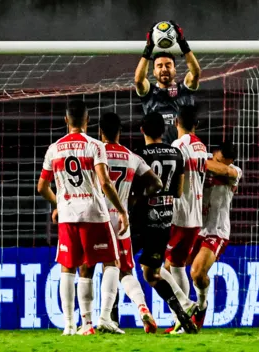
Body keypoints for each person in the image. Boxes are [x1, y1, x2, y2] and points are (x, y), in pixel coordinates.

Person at [36, 100, 129, 336]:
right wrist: (121, 210)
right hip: (94, 213)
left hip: (68, 215)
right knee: (112, 262)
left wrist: (60, 202)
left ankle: (70, 325)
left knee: (68, 267)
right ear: (87, 121)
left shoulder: (54, 148)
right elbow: (106, 183)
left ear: (66, 120)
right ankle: (102, 318)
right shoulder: (95, 146)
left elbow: (42, 187)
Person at [94, 112, 162, 334]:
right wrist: (135, 198)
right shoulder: (131, 156)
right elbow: (157, 183)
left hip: (98, 217)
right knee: (125, 271)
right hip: (122, 220)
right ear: (119, 132)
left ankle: (98, 318)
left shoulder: (95, 152)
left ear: (100, 132)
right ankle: (142, 308)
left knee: (90, 268)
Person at [131, 111, 198, 334]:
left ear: (142, 130)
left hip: (141, 221)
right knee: (152, 273)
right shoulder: (176, 153)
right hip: (163, 222)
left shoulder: (138, 155)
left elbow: (135, 190)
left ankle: (108, 317)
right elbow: (178, 192)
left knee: (118, 266)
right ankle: (182, 311)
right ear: (164, 130)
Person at [163, 105, 209, 333]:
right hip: (196, 217)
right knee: (177, 264)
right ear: (196, 125)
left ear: (175, 123)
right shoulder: (202, 146)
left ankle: (184, 305)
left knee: (156, 265)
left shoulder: (177, 146)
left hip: (178, 215)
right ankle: (181, 323)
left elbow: (173, 181)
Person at [188, 141, 242, 329]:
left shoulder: (234, 171)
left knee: (197, 272)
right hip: (194, 227)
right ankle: (180, 315)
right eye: (219, 160)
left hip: (216, 231)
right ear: (215, 153)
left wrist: (194, 159)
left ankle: (201, 306)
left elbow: (227, 172)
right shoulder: (203, 161)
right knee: (170, 268)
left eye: (226, 162)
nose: (222, 165)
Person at [134, 21, 202, 143]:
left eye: (168, 65)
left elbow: (196, 73)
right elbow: (138, 80)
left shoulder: (184, 89)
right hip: (157, 153)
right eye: (159, 66)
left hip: (183, 153)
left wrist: (182, 42)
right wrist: (149, 47)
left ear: (175, 70)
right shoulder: (149, 92)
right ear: (154, 72)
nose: (164, 69)